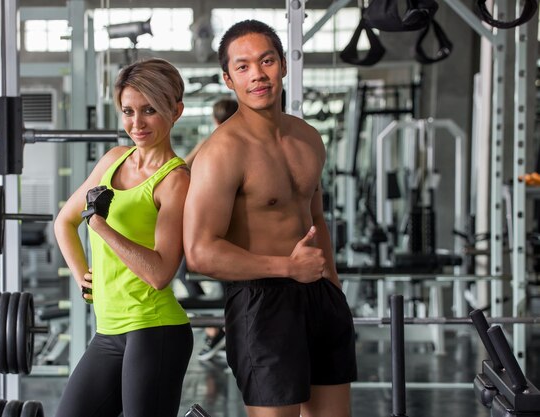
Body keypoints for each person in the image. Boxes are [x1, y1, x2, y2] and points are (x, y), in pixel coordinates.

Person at [183, 20, 357, 417]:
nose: (257, 75)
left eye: (266, 61)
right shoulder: (222, 153)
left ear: (282, 64)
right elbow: (199, 252)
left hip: (319, 297)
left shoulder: (309, 138)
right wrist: (288, 268)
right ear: (228, 79)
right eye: (242, 67)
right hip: (261, 302)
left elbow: (316, 218)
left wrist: (333, 287)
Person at [53, 58, 193, 417]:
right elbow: (64, 222)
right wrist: (82, 274)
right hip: (109, 330)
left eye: (150, 110)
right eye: (128, 111)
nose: (137, 123)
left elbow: (160, 273)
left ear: (175, 111)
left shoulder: (174, 180)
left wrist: (101, 227)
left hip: (155, 330)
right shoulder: (114, 159)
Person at [179, 97, 238, 362]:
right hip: (230, 225)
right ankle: (220, 328)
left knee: (182, 271)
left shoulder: (212, 143)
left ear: (215, 120)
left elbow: (181, 168)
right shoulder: (242, 143)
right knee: (228, 280)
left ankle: (217, 329)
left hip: (214, 223)